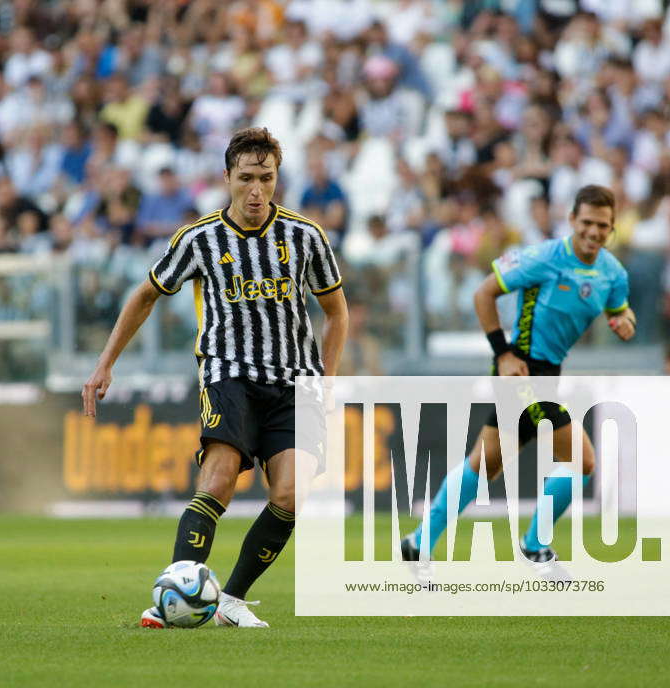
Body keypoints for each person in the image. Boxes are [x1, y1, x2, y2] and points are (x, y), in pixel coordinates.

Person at [82, 127, 348, 628]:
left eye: (265, 178)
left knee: (291, 495)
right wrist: (105, 362)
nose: (255, 190)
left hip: (294, 383)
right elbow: (145, 295)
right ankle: (176, 589)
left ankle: (229, 599)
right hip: (228, 375)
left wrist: (325, 382)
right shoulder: (198, 238)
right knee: (220, 478)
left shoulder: (305, 235)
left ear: (276, 179)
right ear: (226, 177)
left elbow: (337, 313)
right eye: (245, 177)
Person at [402, 185, 635, 574]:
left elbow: (620, 310)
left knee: (486, 464)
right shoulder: (544, 257)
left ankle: (418, 542)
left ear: (611, 228)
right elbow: (483, 293)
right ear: (572, 221)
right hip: (522, 369)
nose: (594, 232)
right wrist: (503, 354)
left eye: (603, 226)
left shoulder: (613, 272)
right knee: (584, 459)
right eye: (588, 223)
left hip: (549, 373)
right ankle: (535, 546)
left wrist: (624, 322)